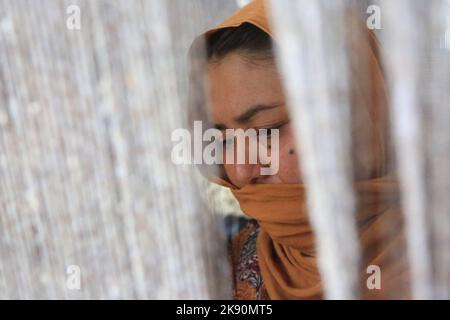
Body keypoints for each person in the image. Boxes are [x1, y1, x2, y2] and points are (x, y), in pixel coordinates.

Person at [189, 0, 410, 299]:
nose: (240, 172)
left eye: (267, 129)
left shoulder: (432, 260)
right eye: (224, 141)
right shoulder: (220, 270)